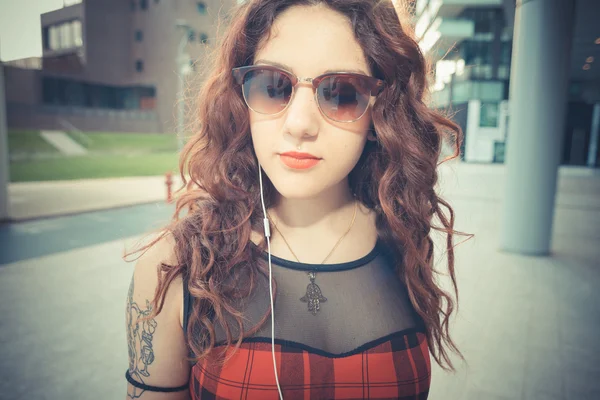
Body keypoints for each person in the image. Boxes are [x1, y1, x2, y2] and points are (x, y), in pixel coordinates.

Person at [124, 0, 470, 399]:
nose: (300, 124)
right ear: (241, 100)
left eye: (341, 93)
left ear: (380, 113)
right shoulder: (176, 267)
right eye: (273, 86)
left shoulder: (404, 238)